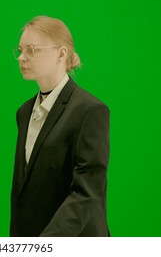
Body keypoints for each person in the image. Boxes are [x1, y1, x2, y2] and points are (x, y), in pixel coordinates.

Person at [10, 15, 110, 237]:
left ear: (61, 53)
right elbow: (24, 195)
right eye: (20, 50)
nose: (21, 58)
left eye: (31, 50)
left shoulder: (90, 111)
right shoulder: (24, 113)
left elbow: (87, 193)